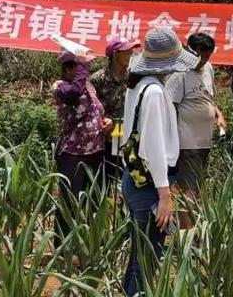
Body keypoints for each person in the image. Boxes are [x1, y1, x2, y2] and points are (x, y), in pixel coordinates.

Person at [120, 27, 200, 297]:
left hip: (137, 179)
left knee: (140, 256)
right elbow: (152, 145)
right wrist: (164, 194)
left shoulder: (139, 85)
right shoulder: (153, 90)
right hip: (151, 186)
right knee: (146, 259)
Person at [166, 32, 226, 229]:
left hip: (204, 140)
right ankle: (187, 235)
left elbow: (209, 97)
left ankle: (190, 229)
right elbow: (170, 107)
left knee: (196, 188)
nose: (202, 61)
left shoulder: (208, 69)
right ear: (189, 51)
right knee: (188, 190)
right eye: (199, 56)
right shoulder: (179, 74)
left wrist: (218, 114)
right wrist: (172, 141)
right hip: (187, 141)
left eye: (207, 56)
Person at [52, 50, 112, 241]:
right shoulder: (61, 87)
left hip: (95, 150)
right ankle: (62, 247)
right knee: (70, 200)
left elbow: (96, 111)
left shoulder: (90, 87)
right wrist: (82, 67)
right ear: (69, 68)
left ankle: (88, 244)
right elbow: (73, 95)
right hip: (73, 153)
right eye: (80, 67)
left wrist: (106, 121)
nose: (86, 71)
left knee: (93, 199)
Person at [90, 37, 140, 183]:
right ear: (115, 54)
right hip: (106, 138)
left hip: (129, 137)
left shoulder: (133, 78)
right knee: (105, 178)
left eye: (131, 52)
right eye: (126, 52)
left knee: (128, 177)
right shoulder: (98, 79)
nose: (130, 55)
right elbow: (91, 108)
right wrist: (103, 120)